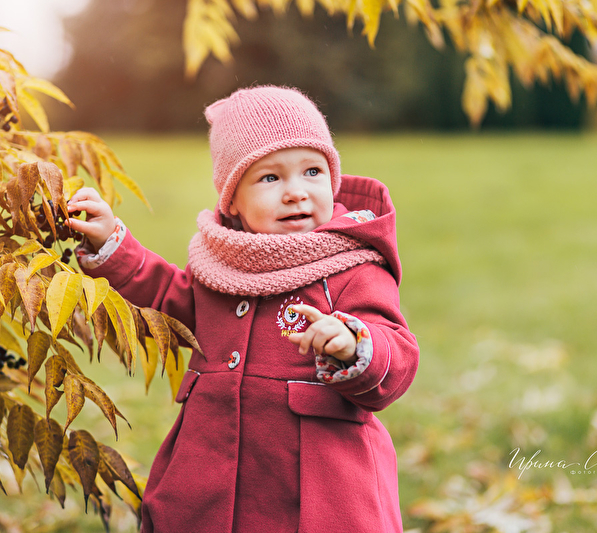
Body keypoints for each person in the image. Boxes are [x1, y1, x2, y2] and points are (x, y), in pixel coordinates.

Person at [66, 86, 419, 533]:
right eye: (270, 178)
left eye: (312, 171)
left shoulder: (352, 266)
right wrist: (113, 246)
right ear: (232, 199)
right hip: (211, 485)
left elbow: (397, 356)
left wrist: (354, 345)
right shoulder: (224, 264)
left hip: (315, 496)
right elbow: (169, 299)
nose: (296, 193)